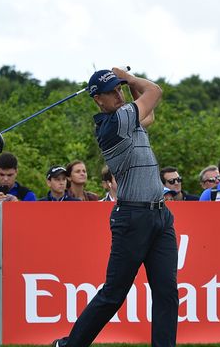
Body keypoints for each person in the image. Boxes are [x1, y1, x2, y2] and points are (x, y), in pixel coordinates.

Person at [52, 67, 177, 347]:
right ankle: (71, 344)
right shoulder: (116, 123)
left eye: (119, 89)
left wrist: (127, 83)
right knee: (114, 293)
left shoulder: (128, 117)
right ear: (98, 99)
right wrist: (131, 78)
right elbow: (155, 92)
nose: (118, 94)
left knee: (167, 291)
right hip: (133, 217)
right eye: (111, 91)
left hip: (160, 216)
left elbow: (150, 114)